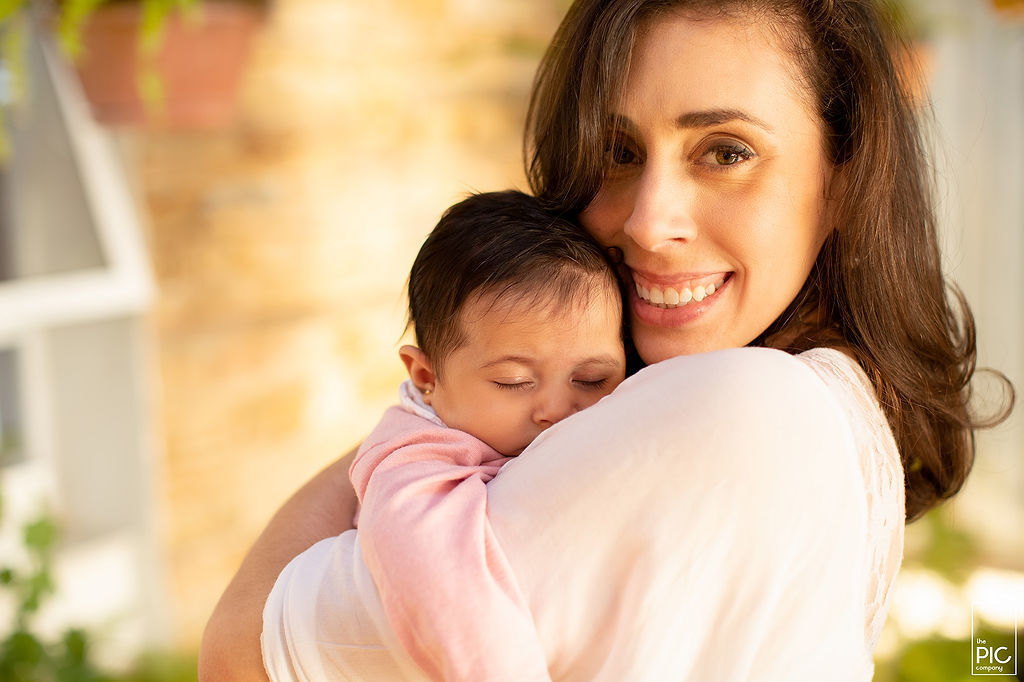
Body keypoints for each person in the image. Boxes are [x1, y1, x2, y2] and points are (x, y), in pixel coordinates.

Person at [199, 1, 1015, 680]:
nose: (648, 222)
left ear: (843, 179)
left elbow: (239, 652)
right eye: (618, 152)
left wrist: (417, 426)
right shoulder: (829, 404)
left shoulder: (737, 406)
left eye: (726, 152)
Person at [349, 190, 626, 681]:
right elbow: (442, 588)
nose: (558, 410)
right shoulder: (411, 463)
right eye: (514, 382)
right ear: (426, 377)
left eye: (591, 380)